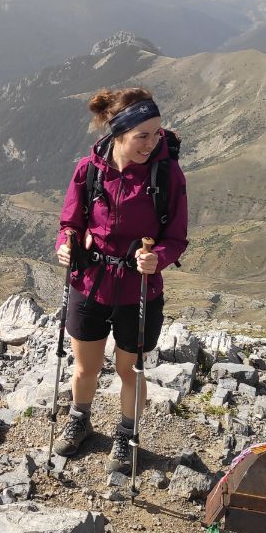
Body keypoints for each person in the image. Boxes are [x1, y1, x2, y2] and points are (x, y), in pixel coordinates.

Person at [53, 87, 189, 472]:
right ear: (119, 133)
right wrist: (66, 245)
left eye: (157, 133)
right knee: (86, 367)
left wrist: (158, 258)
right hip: (90, 283)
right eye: (142, 135)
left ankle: (127, 434)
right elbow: (70, 222)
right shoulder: (89, 170)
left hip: (138, 289)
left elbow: (176, 237)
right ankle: (80, 418)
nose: (153, 142)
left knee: (130, 370)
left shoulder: (167, 174)